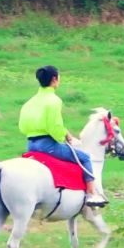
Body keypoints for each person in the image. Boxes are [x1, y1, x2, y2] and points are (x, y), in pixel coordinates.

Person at [19, 65, 108, 207]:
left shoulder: (30, 102)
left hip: (31, 144)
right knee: (84, 158)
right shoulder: (54, 100)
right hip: (48, 145)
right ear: (55, 79)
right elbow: (54, 127)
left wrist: (67, 134)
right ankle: (92, 194)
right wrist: (62, 138)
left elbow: (22, 126)